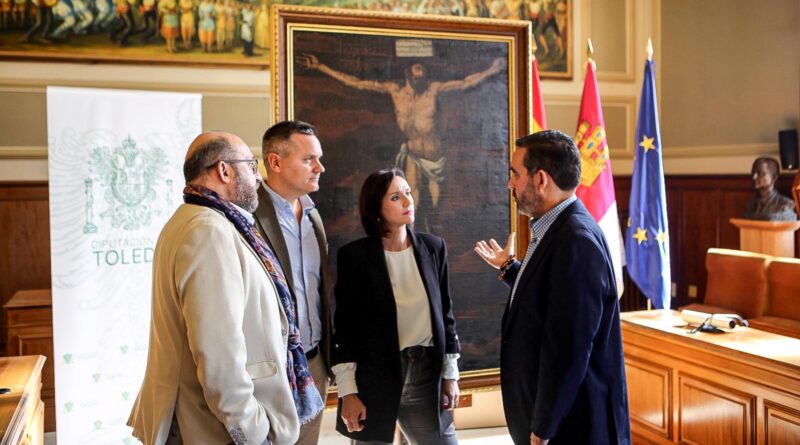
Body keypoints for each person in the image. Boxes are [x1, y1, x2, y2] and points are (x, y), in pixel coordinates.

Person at [128, 131, 323, 445]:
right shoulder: (208, 230)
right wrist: (251, 430)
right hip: (208, 426)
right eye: (250, 164)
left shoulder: (198, 220)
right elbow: (218, 352)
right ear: (224, 170)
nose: (258, 176)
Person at [474, 130, 630, 445]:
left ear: (541, 179)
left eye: (515, 174)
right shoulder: (557, 226)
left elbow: (569, 348)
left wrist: (544, 426)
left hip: (572, 426)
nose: (510, 184)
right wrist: (509, 268)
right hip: (559, 418)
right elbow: (552, 300)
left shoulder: (576, 240)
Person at [296, 53, 506, 230]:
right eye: (417, 69)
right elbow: (357, 83)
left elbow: (465, 83)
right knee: (412, 192)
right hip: (413, 151)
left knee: (433, 199)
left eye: (423, 71)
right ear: (408, 73)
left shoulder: (433, 89)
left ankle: (432, 232)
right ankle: (412, 237)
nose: (420, 75)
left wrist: (492, 70)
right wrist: (322, 67)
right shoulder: (394, 90)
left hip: (434, 154)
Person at [334, 168, 461, 444]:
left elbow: (446, 316)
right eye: (395, 197)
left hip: (426, 375)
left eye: (408, 193)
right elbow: (346, 330)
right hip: (375, 378)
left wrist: (450, 375)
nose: (407, 201)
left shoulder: (434, 247)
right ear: (376, 208)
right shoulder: (354, 257)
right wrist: (348, 392)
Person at [255, 121, 333, 445]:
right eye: (309, 159)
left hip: (314, 364)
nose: (320, 168)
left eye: (319, 158)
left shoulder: (314, 214)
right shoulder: (248, 216)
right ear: (275, 162)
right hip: (271, 370)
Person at [742, 157, 796, 221]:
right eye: (753, 172)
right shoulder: (751, 205)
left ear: (774, 177)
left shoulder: (786, 204)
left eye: (761, 174)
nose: (754, 177)